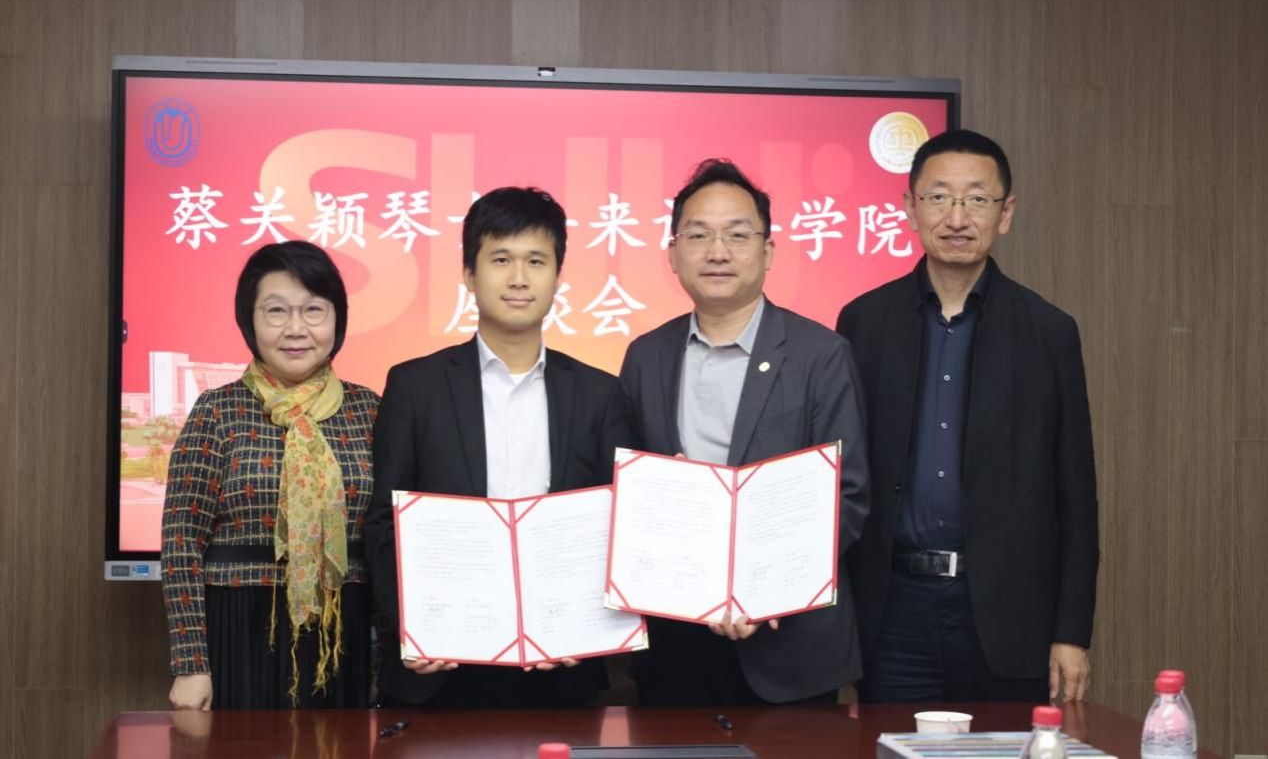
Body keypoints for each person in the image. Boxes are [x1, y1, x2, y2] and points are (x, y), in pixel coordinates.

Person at [835, 128, 1099, 704]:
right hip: (891, 612)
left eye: (977, 199)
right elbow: (840, 478)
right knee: (890, 743)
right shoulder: (862, 322)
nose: (957, 217)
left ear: (1006, 213)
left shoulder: (1049, 331)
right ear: (910, 208)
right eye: (939, 197)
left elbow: (1076, 496)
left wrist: (1071, 632)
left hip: (1007, 615)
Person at [364, 186, 635, 708]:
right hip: (441, 668)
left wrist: (588, 625)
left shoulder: (600, 394)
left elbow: (618, 525)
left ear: (557, 275)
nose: (518, 278)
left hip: (562, 667)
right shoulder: (415, 386)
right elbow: (383, 523)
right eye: (501, 259)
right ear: (470, 274)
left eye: (536, 261)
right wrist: (410, 627)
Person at [619, 159, 870, 705]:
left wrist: (765, 591)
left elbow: (846, 497)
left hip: (790, 646)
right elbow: (627, 495)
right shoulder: (646, 357)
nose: (718, 252)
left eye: (737, 235)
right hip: (675, 643)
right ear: (673, 253)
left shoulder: (821, 354)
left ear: (768, 251)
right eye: (698, 235)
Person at [161, 240, 380, 710]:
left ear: (337, 318)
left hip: (345, 634)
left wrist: (388, 659)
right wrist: (191, 664)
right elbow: (181, 542)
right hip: (239, 629)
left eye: (313, 310)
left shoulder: (370, 410)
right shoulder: (217, 410)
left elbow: (390, 542)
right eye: (276, 311)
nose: (296, 328)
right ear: (250, 321)